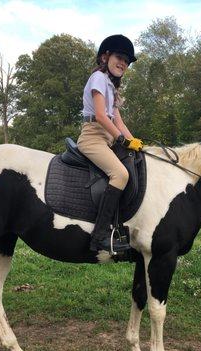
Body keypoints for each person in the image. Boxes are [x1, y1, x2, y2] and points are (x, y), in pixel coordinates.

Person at [78, 34, 143, 253]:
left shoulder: (111, 86)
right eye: (119, 57)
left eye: (126, 61)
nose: (123, 63)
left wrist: (134, 142)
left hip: (107, 136)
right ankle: (100, 236)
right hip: (92, 136)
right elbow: (100, 116)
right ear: (105, 57)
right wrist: (122, 139)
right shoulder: (98, 77)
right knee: (121, 175)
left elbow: (117, 119)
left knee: (134, 163)